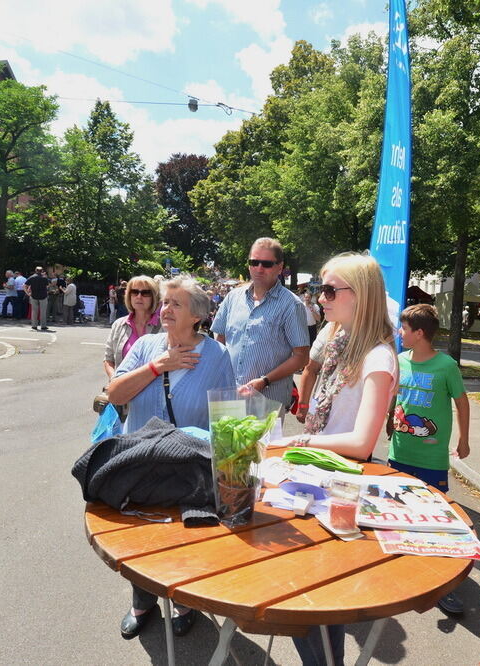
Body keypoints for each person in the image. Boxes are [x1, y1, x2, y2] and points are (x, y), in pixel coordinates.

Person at [273, 252, 399, 666]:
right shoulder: (340, 342)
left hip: (340, 490)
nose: (319, 298)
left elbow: (363, 442)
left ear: (360, 297)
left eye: (328, 290)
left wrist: (306, 443)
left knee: (320, 608)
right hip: (319, 481)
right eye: (318, 289)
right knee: (308, 603)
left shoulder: (377, 357)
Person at [106, 275, 235, 641]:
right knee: (140, 540)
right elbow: (115, 393)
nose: (165, 309)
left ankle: (183, 601)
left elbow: (226, 415)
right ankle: (141, 603)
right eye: (165, 303)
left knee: (182, 538)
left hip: (187, 469)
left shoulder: (216, 355)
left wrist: (227, 468)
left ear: (197, 316)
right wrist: (157, 367)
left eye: (175, 304)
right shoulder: (146, 346)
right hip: (138, 464)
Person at [389, 303, 470, 616]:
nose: (400, 332)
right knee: (397, 515)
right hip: (399, 453)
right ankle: (405, 573)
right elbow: (395, 397)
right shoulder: (399, 361)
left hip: (431, 458)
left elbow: (462, 404)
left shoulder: (446, 366)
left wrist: (463, 439)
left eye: (404, 328)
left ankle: (443, 586)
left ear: (419, 333)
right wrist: (386, 421)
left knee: (434, 522)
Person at [211, 237, 309, 408]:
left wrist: (265, 380)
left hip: (267, 401)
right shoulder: (233, 297)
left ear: (280, 266)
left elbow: (301, 357)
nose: (259, 268)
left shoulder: (291, 305)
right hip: (229, 394)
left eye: (266, 264)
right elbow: (219, 341)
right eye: (254, 262)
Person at [103, 276, 161, 382]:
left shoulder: (164, 327)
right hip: (123, 391)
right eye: (134, 292)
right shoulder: (118, 325)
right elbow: (108, 359)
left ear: (154, 297)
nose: (139, 296)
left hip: (153, 392)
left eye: (145, 293)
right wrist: (114, 379)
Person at [24, 266, 50, 331]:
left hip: (34, 296)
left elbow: (24, 286)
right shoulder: (44, 278)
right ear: (42, 271)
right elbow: (47, 286)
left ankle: (34, 325)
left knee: (34, 311)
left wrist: (28, 293)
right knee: (43, 312)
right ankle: (43, 326)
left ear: (36, 270)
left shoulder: (32, 277)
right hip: (43, 296)